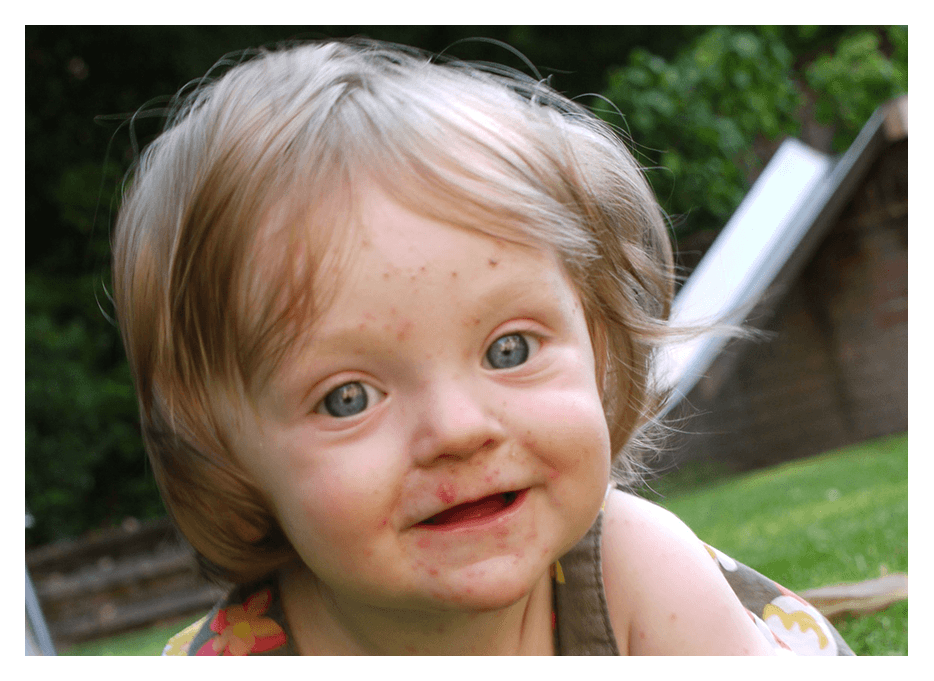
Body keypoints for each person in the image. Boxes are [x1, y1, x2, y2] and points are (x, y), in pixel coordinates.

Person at [111, 39, 853, 656]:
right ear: (224, 452)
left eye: (508, 350)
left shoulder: (641, 576)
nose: (460, 430)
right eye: (349, 397)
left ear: (593, 344)